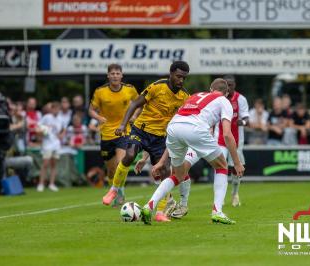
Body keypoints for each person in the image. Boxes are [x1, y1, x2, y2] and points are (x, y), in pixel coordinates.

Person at [141, 78, 245, 225]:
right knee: (222, 166)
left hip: (173, 128)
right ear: (226, 92)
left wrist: (162, 161)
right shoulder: (224, 100)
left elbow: (180, 126)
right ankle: (217, 211)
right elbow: (227, 134)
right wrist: (237, 162)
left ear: (210, 89)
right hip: (196, 130)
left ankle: (149, 205)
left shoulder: (194, 96)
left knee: (178, 175)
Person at [102, 61, 190, 222]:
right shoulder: (157, 87)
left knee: (165, 172)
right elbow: (135, 103)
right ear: (170, 74)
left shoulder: (184, 97)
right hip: (141, 130)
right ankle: (114, 189)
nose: (181, 80)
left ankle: (160, 212)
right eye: (178, 76)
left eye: (184, 78)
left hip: (161, 138)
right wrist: (123, 124)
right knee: (129, 155)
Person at [168, 75, 249, 219]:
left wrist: (240, 123)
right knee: (182, 170)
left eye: (231, 85)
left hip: (227, 141)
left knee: (227, 167)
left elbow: (246, 120)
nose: (229, 87)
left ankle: (232, 195)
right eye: (227, 85)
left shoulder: (238, 100)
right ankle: (184, 204)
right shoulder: (211, 100)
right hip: (208, 140)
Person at [89, 64, 139, 205]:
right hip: (106, 134)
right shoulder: (100, 92)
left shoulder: (130, 89)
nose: (115, 76)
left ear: (122, 75)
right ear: (108, 76)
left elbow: (140, 103)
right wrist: (98, 118)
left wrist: (134, 115)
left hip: (123, 131)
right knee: (111, 171)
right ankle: (115, 189)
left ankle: (120, 194)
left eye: (118, 73)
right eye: (113, 73)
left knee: (120, 164)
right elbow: (91, 110)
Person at [37, 102, 64, 192]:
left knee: (54, 165)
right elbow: (38, 127)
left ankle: (51, 184)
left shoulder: (61, 119)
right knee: (45, 164)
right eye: (55, 108)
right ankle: (41, 184)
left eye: (58, 109)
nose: (56, 110)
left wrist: (61, 135)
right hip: (47, 144)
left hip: (56, 144)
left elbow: (64, 129)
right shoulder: (47, 117)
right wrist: (43, 130)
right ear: (51, 109)